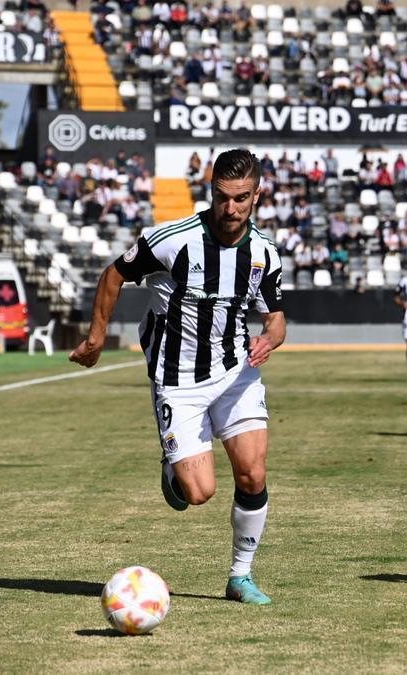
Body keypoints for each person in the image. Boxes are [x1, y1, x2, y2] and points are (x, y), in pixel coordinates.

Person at [69, 149, 286, 605]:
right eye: (222, 197)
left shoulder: (264, 252)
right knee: (199, 492)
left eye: (241, 198)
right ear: (210, 192)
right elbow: (114, 275)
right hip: (178, 379)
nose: (231, 208)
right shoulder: (174, 239)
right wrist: (96, 337)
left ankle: (240, 577)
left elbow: (277, 316)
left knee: (253, 472)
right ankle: (174, 471)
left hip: (236, 374)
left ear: (257, 194)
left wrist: (271, 336)